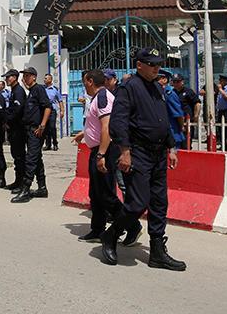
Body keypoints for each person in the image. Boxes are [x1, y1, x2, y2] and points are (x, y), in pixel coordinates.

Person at [100, 47, 186, 271]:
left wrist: (172, 147)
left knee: (159, 203)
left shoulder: (157, 87)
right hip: (138, 153)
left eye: (158, 64)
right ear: (140, 65)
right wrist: (125, 151)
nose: (157, 68)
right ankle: (111, 235)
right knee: (137, 203)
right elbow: (118, 122)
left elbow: (162, 120)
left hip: (158, 154)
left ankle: (157, 252)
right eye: (152, 64)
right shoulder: (128, 88)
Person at [78, 69, 143, 245]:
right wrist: (84, 135)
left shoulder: (103, 98)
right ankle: (98, 229)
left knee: (106, 194)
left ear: (90, 81)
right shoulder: (98, 98)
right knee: (96, 193)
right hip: (98, 149)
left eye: (85, 81)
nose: (84, 85)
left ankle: (132, 225)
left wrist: (101, 154)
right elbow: (96, 125)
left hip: (105, 150)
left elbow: (107, 127)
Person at [11, 66, 52, 203]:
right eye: (24, 76)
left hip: (36, 129)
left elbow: (47, 107)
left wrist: (42, 125)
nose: (25, 78)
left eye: (27, 76)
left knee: (31, 159)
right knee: (37, 159)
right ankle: (42, 187)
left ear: (34, 76)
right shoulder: (31, 91)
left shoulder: (39, 89)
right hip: (29, 129)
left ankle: (26, 189)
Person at [2, 69, 27, 193]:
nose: (6, 79)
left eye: (8, 77)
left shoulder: (18, 91)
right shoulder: (13, 91)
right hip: (13, 128)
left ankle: (22, 183)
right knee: (16, 156)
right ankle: (18, 181)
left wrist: (7, 120)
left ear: (15, 77)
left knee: (19, 156)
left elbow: (17, 111)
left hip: (18, 128)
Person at [157, 71, 185, 149]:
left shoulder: (169, 94)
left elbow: (179, 115)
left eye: (157, 79)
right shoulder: (158, 93)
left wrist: (182, 127)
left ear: (165, 80)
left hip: (172, 133)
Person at [171, 74, 200, 149]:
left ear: (182, 82)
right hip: (176, 121)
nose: (176, 83)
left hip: (187, 121)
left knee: (186, 142)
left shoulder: (188, 91)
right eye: (174, 82)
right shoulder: (171, 93)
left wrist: (196, 115)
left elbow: (197, 103)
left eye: (178, 81)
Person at [43, 73, 64, 151]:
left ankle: (55, 143)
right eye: (44, 78)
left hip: (52, 111)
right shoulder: (42, 89)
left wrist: (62, 111)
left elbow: (60, 100)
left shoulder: (55, 90)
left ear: (50, 80)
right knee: (46, 128)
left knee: (52, 127)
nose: (44, 80)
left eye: (46, 78)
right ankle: (48, 145)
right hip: (44, 110)